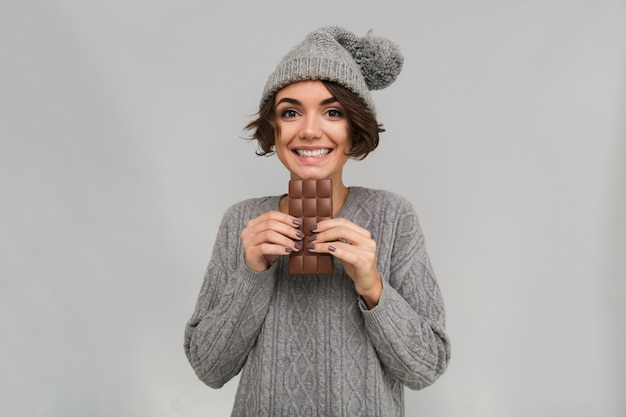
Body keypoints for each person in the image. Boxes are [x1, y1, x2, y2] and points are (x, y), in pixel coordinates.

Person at [184, 25, 450, 416]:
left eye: (332, 112)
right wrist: (252, 272)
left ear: (353, 129)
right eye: (290, 112)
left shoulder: (394, 216)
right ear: (272, 130)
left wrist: (372, 285)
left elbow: (426, 368)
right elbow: (209, 368)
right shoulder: (242, 221)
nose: (309, 130)